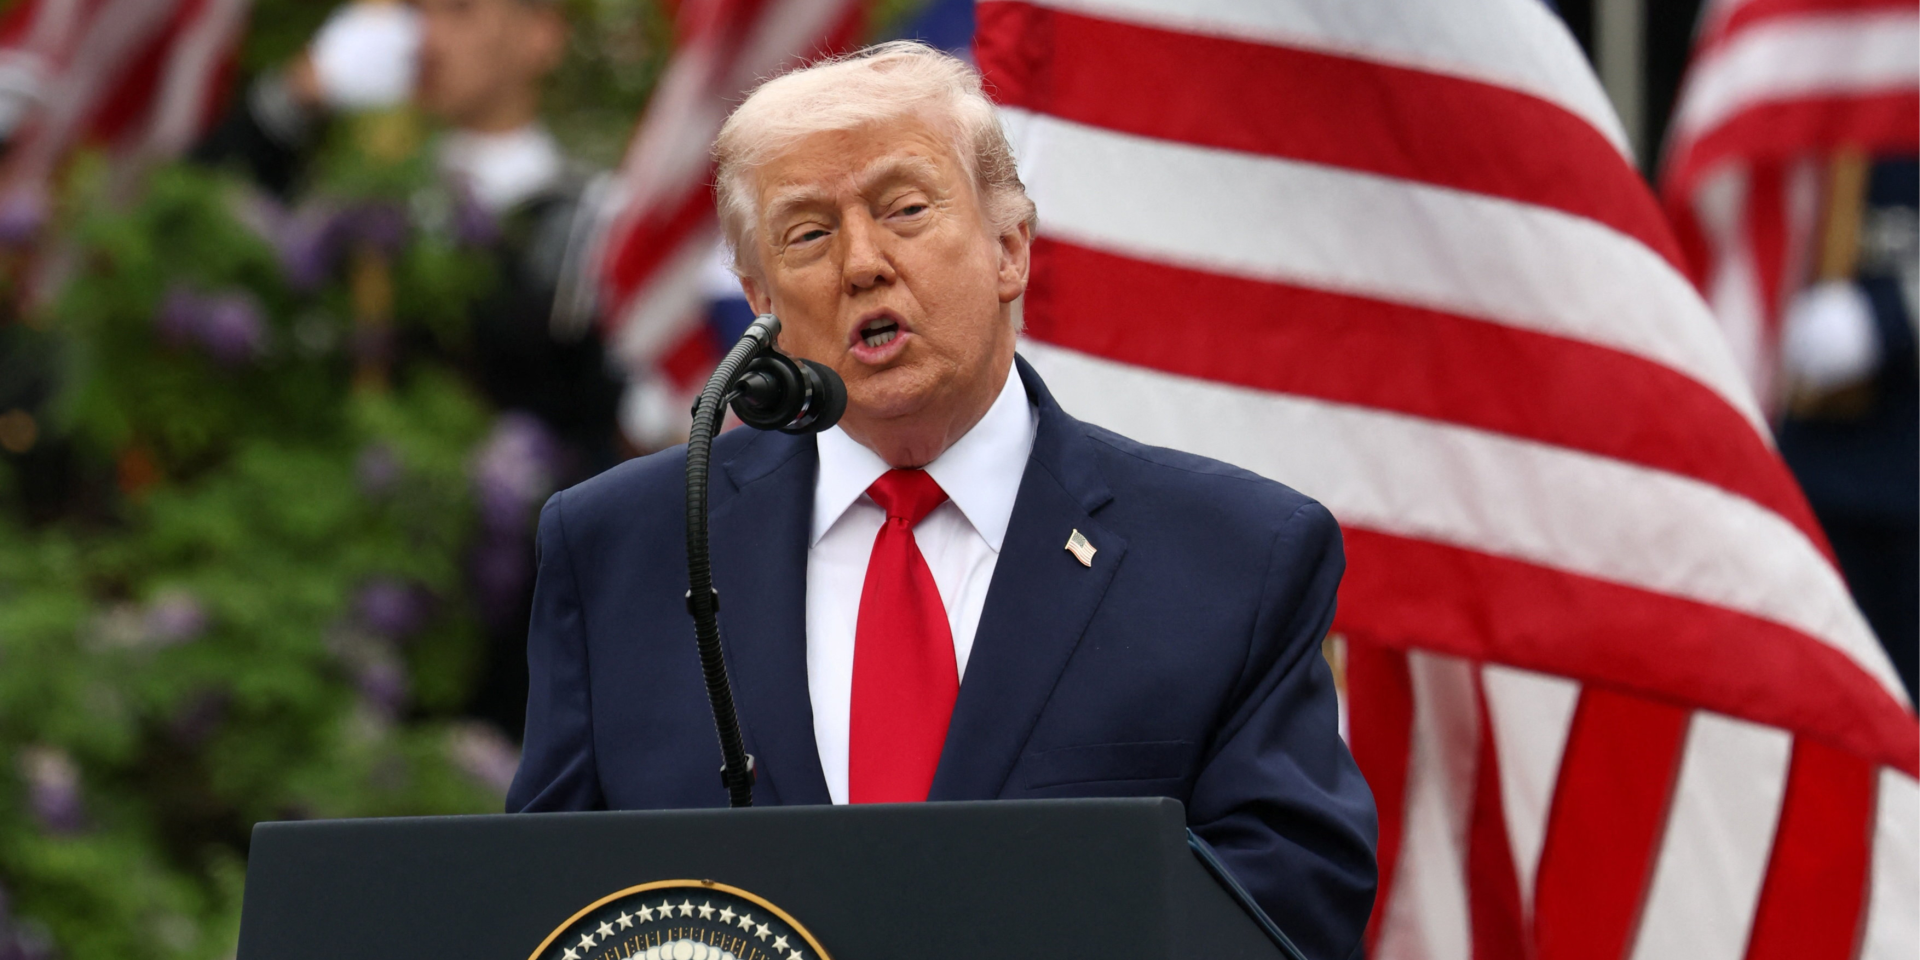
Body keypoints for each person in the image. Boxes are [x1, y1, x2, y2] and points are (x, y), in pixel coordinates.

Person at [507, 42, 1377, 958]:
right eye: (809, 233)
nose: (863, 263)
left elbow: (1292, 913)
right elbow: (550, 905)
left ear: (1010, 250)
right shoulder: (619, 550)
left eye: (905, 209)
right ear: (761, 301)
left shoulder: (1233, 558)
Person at [192, 0, 627, 738]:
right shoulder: (343, 198)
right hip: (322, 618)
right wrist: (297, 98)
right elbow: (184, 236)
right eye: (413, 11)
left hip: (518, 652)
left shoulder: (597, 223)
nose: (423, 36)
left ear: (540, 35)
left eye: (456, 11)